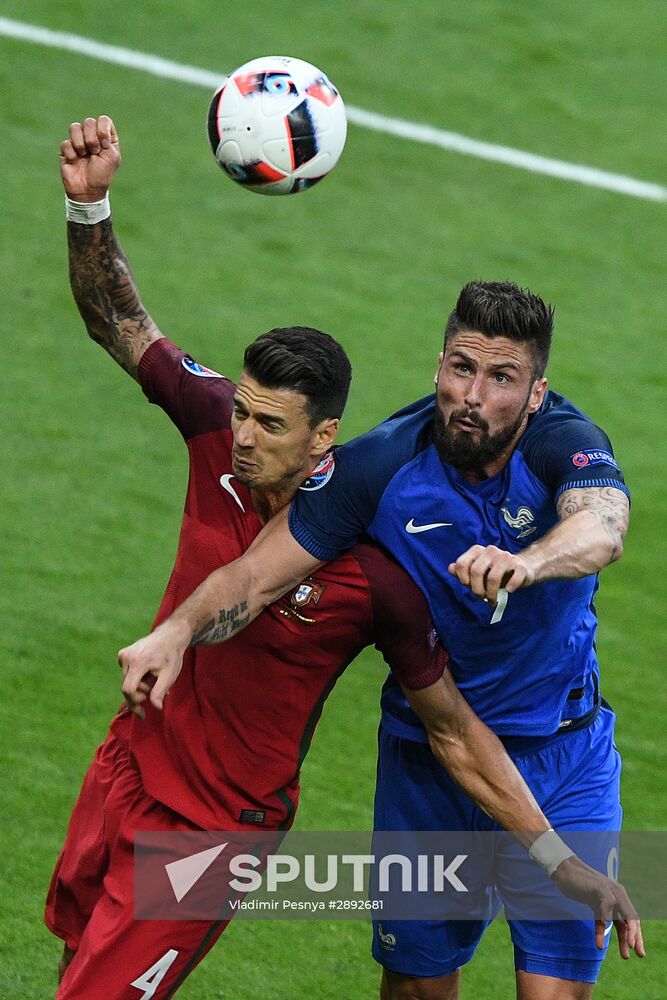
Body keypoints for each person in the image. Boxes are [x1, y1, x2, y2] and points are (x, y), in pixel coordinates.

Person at [50, 115, 642, 1000]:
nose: (241, 438)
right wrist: (88, 204)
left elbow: (596, 530)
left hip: (236, 823)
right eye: (459, 368)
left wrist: (529, 564)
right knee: (77, 963)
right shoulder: (264, 442)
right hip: (135, 764)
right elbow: (249, 567)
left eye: (270, 425)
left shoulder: (396, 557)